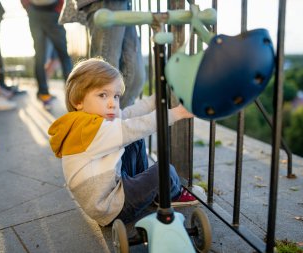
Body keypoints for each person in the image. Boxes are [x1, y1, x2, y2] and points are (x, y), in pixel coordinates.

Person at [48, 58, 201, 226]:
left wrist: (159, 96)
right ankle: (173, 194)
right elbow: (134, 127)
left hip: (108, 192)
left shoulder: (87, 122)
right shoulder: (88, 130)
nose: (112, 103)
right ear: (78, 101)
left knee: (134, 141)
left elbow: (130, 115)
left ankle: (148, 190)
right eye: (102, 95)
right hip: (110, 206)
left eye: (116, 96)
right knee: (164, 171)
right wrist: (177, 113)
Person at [59, 0, 145, 109]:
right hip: (102, 3)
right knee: (105, 81)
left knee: (135, 79)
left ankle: (111, 122)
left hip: (123, 3)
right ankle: (99, 123)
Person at [20, 0, 73, 109]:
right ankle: (72, 95)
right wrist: (59, 8)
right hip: (52, 12)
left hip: (35, 12)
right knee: (64, 56)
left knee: (40, 57)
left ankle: (44, 95)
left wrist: (29, 9)